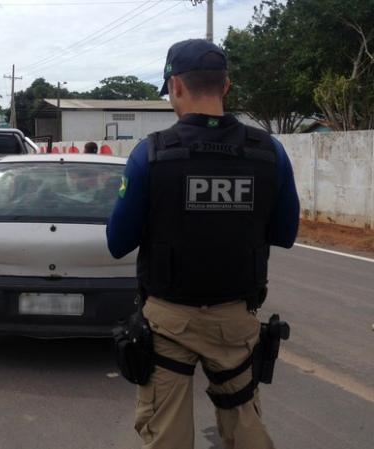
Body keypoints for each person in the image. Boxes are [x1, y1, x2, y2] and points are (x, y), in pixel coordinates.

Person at [107, 39, 299, 449]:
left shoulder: (150, 155)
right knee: (245, 427)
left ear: (175, 85)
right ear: (225, 85)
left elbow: (117, 242)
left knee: (167, 434)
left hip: (168, 322)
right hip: (236, 320)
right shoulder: (269, 152)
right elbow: (286, 234)